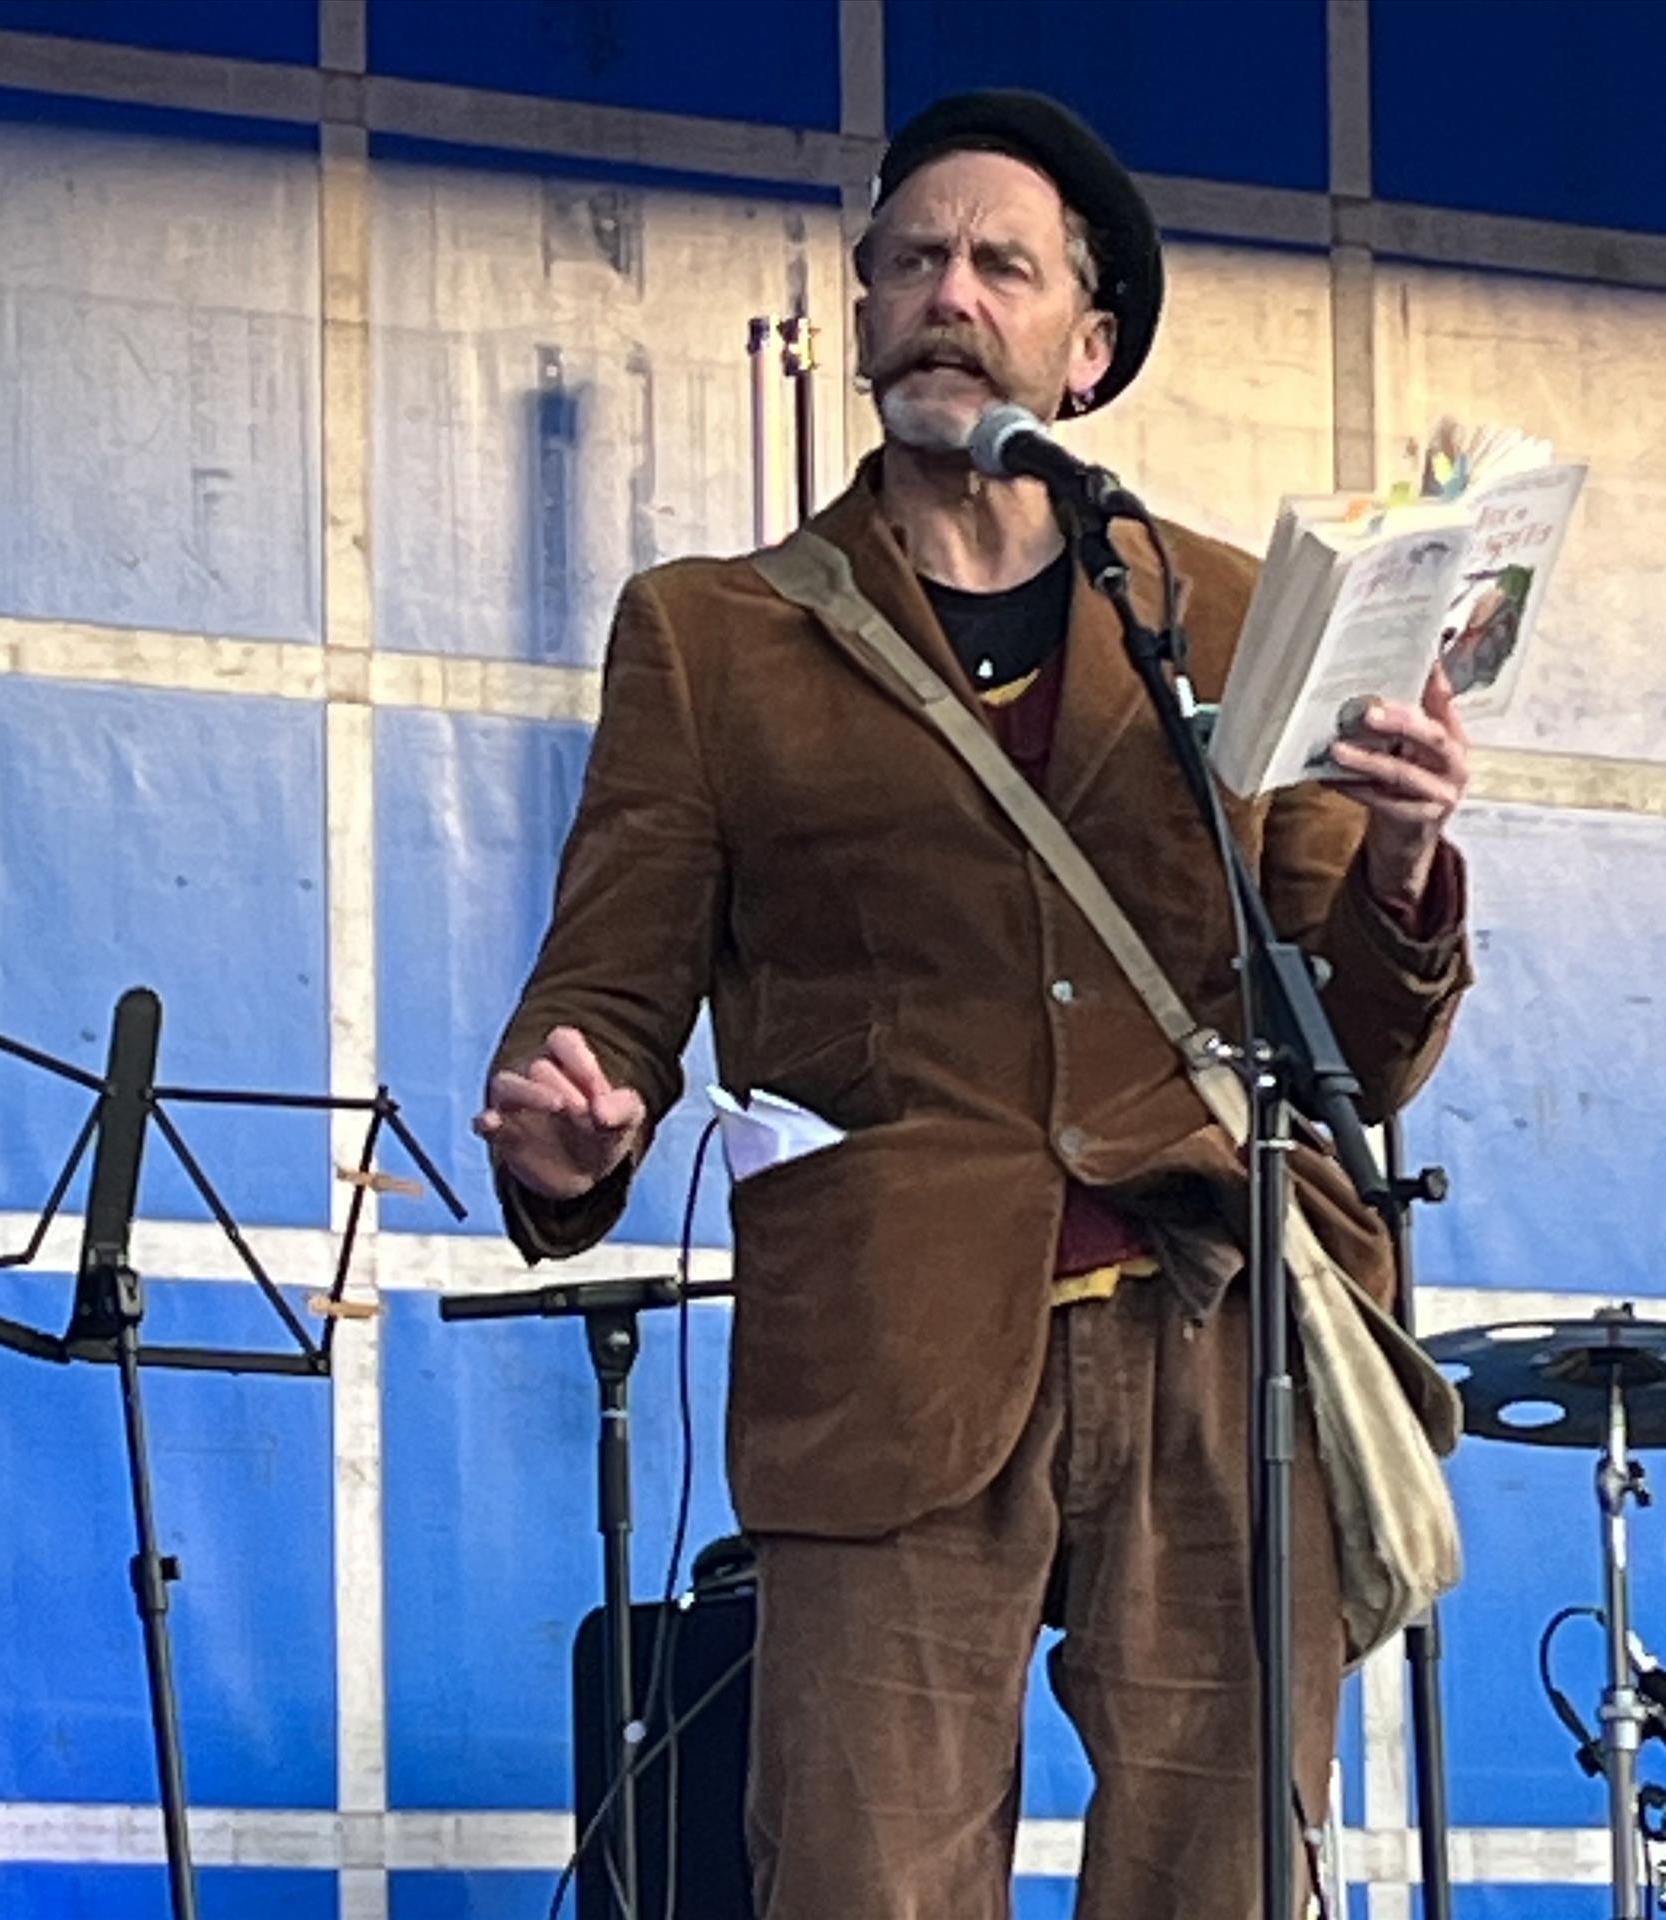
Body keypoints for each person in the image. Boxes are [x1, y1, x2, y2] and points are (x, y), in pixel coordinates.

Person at [474, 89, 1472, 1920]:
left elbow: (1361, 1049)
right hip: (888, 1331)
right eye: (914, 257)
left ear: (1086, 353)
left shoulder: (1240, 618)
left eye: (1002, 265)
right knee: (864, 1877)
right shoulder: (713, 633)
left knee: (1224, 1880)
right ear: (860, 313)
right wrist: (571, 1122)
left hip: (1213, 1318)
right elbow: (603, 993)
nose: (952, 290)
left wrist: (1406, 867)